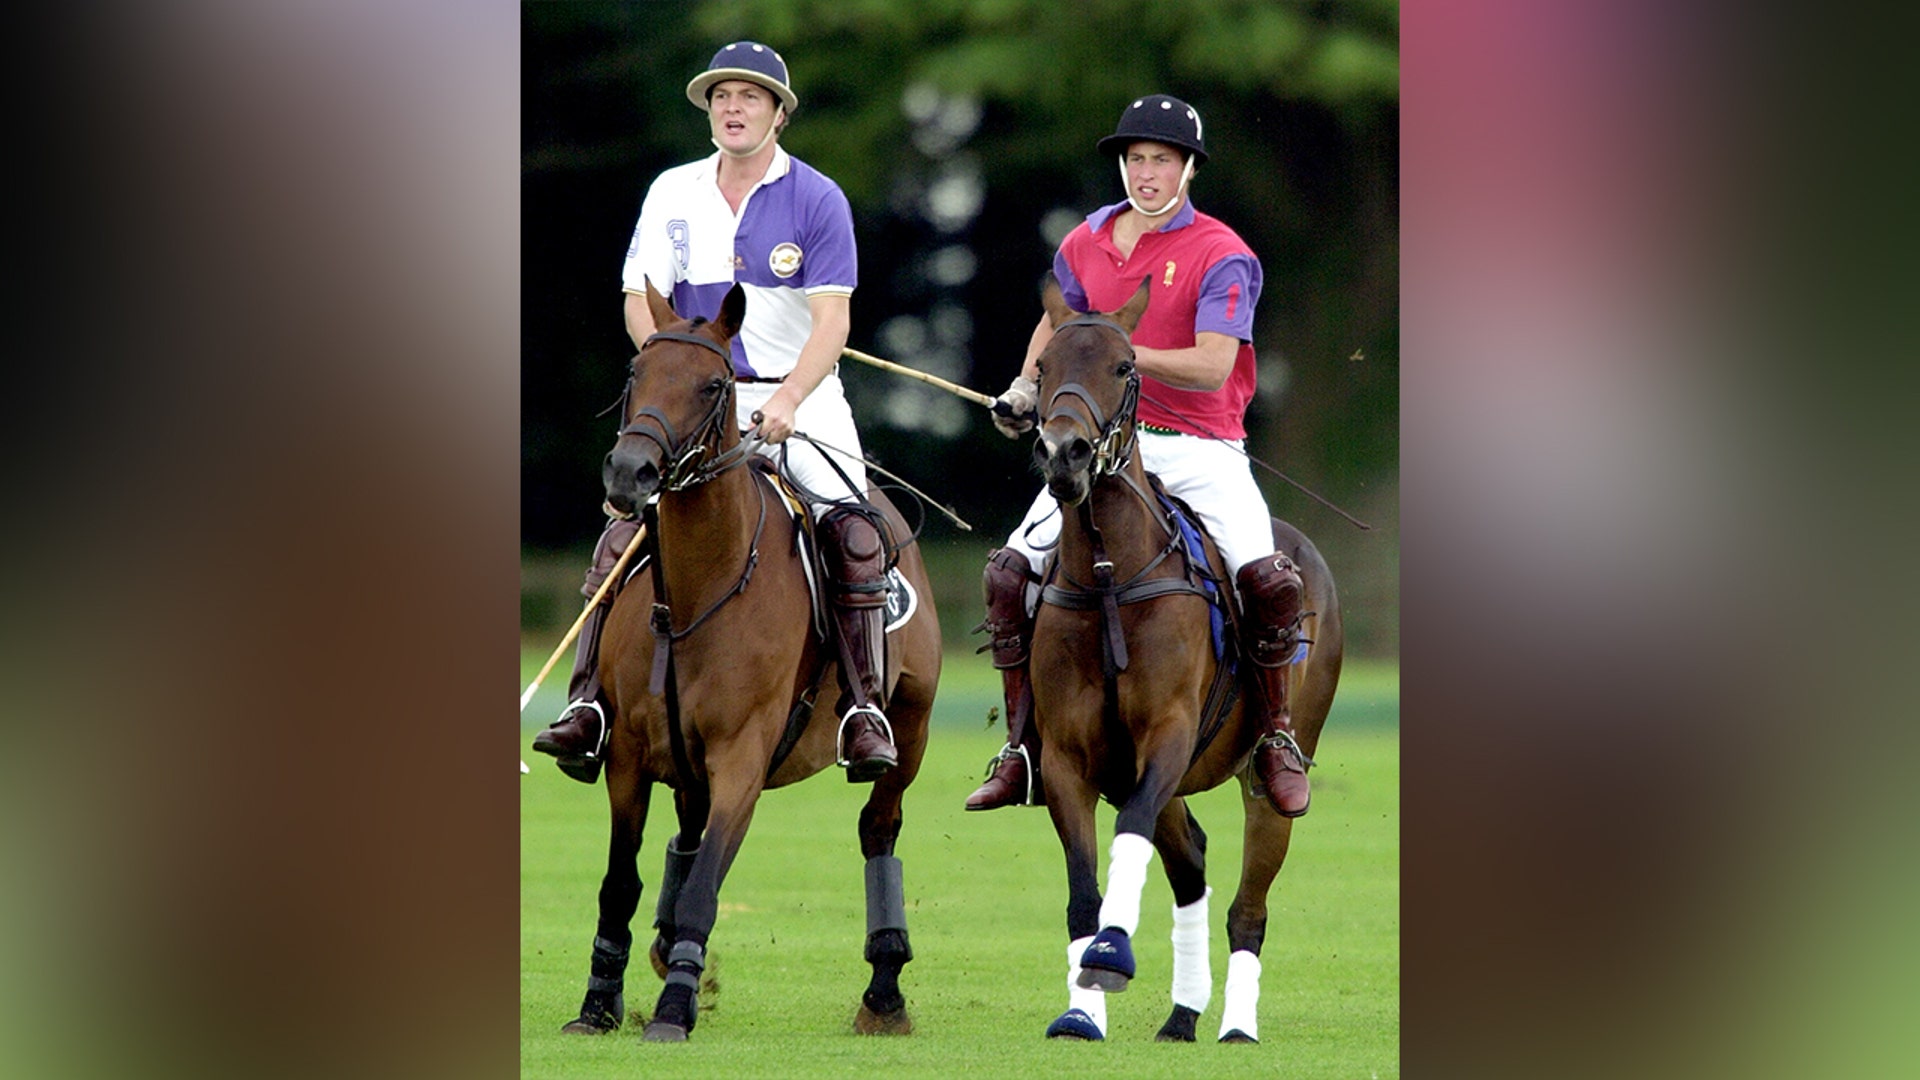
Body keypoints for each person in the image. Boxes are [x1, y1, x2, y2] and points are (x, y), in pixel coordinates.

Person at [532, 41, 898, 784]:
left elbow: (833, 323)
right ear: (708, 110)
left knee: (854, 533)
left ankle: (862, 709)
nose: (733, 108)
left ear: (779, 112)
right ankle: (589, 707)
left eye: (751, 97)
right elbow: (641, 299)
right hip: (696, 400)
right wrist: (677, 372)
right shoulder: (673, 191)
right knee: (622, 533)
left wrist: (792, 397)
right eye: (722, 96)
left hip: (795, 397)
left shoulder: (817, 198)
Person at [966, 94, 1314, 818]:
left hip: (1200, 446)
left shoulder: (1223, 253)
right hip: (1103, 448)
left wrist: (1118, 357)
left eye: (1160, 159)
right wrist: (1025, 388)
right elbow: (1056, 325)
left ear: (1188, 168)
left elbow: (1216, 364)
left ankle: (1276, 737)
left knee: (1272, 583)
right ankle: (1022, 746)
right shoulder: (1085, 242)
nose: (1145, 172)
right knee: (1007, 576)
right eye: (1135, 159)